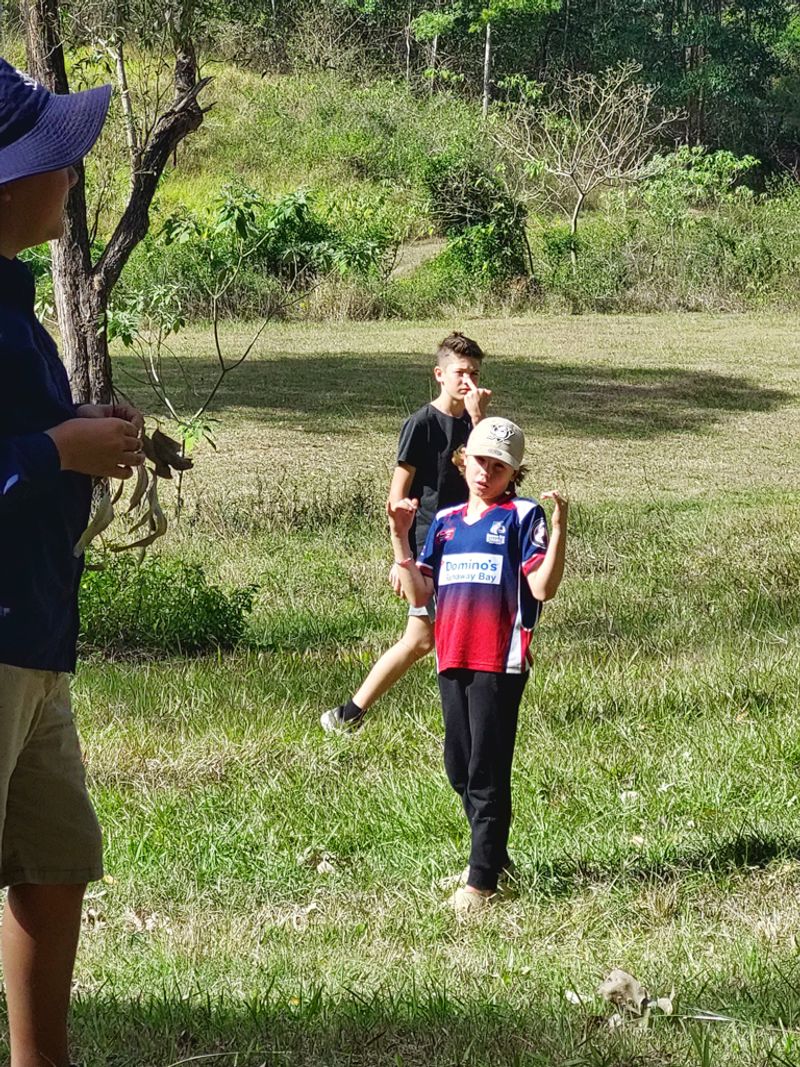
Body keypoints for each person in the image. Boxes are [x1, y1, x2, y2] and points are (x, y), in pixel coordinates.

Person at [0, 59, 145, 1066]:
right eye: (55, 158)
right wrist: (59, 449)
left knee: (54, 859)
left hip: (35, 632)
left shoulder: (13, 305)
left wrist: (78, 427)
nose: (70, 175)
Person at [386, 417, 568, 913]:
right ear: (463, 461)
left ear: (513, 474)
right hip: (452, 656)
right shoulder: (445, 522)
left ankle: (481, 883)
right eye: (479, 462)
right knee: (459, 766)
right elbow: (419, 593)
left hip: (498, 661)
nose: (486, 473)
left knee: (487, 771)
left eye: (498, 467)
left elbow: (542, 588)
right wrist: (400, 538)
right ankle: (492, 858)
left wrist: (558, 535)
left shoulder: (522, 515)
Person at [321, 332, 492, 732]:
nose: (468, 381)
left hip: (469, 543)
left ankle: (349, 714)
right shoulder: (422, 424)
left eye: (475, 373)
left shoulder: (476, 423)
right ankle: (350, 714)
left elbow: (491, 474)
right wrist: (403, 559)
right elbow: (397, 497)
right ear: (439, 374)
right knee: (423, 639)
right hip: (432, 549)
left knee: (428, 638)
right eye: (460, 373)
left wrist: (479, 420)